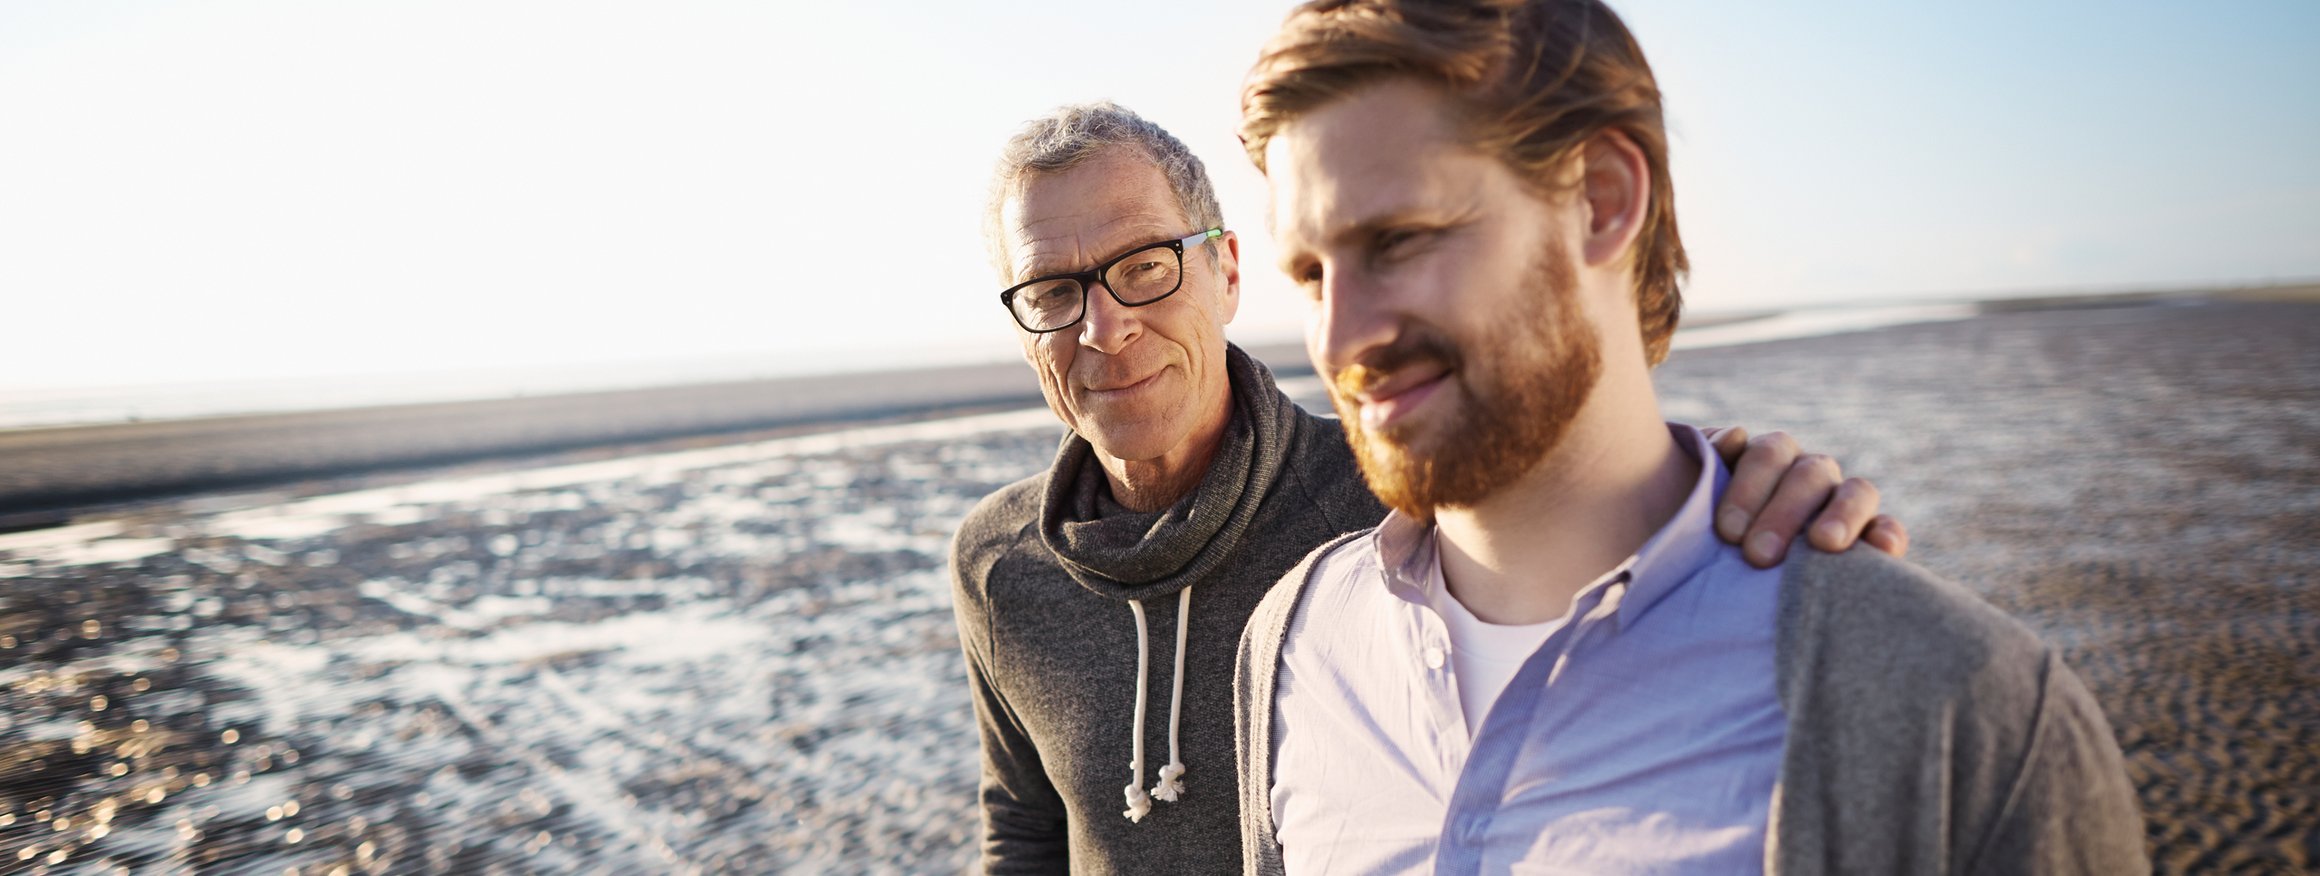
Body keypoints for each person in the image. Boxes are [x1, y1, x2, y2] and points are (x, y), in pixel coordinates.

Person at [1228, 1, 2147, 873]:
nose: (1341, 339)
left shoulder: (1956, 704)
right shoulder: (1292, 645)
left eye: (1400, 240)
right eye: (1310, 273)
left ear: (1600, 198)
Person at [951, 102, 1907, 874]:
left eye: (1143, 269)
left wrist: (1738, 498)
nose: (1103, 329)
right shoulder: (996, 565)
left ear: (1226, 270)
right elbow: (1026, 831)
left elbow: (1589, 494)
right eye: (1051, 294)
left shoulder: (1399, 499)